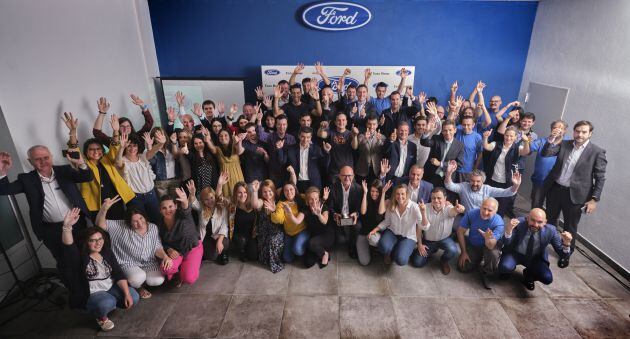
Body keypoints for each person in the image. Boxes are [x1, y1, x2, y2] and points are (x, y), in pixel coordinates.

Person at [0, 116, 91, 274]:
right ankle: (76, 294)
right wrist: (2, 172)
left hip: (77, 225)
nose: (43, 161)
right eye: (38, 159)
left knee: (85, 257)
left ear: (51, 157)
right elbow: (4, 190)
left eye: (46, 157)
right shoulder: (26, 179)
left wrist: (81, 163)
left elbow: (86, 177)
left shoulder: (65, 171)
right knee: (64, 263)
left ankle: (94, 288)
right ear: (30, 161)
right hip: (52, 231)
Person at [60, 208, 139, 331]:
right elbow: (69, 246)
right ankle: (101, 316)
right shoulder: (79, 257)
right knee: (107, 303)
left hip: (110, 287)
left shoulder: (106, 252)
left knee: (133, 296)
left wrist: (127, 294)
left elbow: (118, 273)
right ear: (86, 242)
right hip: (93, 292)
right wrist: (67, 227)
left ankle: (110, 302)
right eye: (92, 240)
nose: (98, 243)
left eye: (100, 239)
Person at [542, 120, 607, 267]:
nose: (580, 134)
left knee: (570, 227)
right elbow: (546, 153)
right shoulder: (565, 144)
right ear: (573, 132)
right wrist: (551, 139)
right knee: (549, 221)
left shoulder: (597, 152)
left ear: (590, 134)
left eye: (584, 132)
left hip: (576, 196)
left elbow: (600, 178)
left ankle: (565, 254)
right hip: (555, 190)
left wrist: (594, 200)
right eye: (577, 131)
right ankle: (542, 246)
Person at [95, 197, 169, 299]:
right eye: (135, 221)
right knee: (137, 278)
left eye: (141, 218)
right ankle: (138, 287)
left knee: (157, 280)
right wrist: (104, 209)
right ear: (129, 222)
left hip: (149, 262)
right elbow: (100, 224)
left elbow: (157, 246)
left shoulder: (152, 227)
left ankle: (142, 281)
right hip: (128, 262)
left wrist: (165, 256)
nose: (139, 223)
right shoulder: (121, 226)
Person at [499, 208, 573, 290]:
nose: (535, 224)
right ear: (527, 218)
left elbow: (563, 254)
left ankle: (529, 275)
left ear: (545, 222)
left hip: (535, 258)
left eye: (540, 222)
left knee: (547, 278)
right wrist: (508, 230)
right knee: (505, 267)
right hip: (515, 254)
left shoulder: (551, 230)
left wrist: (566, 243)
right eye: (533, 220)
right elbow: (506, 242)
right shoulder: (519, 223)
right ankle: (507, 272)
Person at [369, 184, 429, 265]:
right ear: (394, 195)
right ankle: (388, 253)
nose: (400, 196)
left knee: (401, 260)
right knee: (382, 247)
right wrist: (375, 229)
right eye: (397, 194)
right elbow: (387, 221)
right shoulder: (392, 205)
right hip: (392, 232)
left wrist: (423, 212)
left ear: (407, 194)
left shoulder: (414, 207)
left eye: (402, 194)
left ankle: (399, 250)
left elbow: (424, 227)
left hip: (408, 236)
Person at [411, 187, 465, 275]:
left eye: (439, 198)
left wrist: (459, 209)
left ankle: (444, 261)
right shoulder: (425, 208)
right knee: (417, 263)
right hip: (428, 241)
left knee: (453, 250)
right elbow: (419, 229)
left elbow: (454, 211)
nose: (436, 200)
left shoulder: (449, 208)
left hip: (444, 239)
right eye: (433, 198)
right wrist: (420, 244)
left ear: (445, 198)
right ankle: (431, 251)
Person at [482, 126, 530, 217]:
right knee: (489, 204)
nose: (508, 138)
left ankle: (497, 225)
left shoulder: (517, 148)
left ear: (515, 137)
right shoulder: (496, 144)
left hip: (507, 182)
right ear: (504, 135)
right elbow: (486, 146)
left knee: (502, 206)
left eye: (511, 136)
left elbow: (525, 152)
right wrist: (485, 138)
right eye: (507, 135)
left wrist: (526, 141)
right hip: (493, 180)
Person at [158, 188, 202, 286]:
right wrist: (168, 249)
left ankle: (191, 266)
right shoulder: (160, 224)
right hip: (175, 252)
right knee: (166, 268)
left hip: (192, 248)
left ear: (176, 206)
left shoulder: (182, 215)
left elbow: (186, 210)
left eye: (170, 206)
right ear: (160, 210)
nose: (168, 210)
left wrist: (185, 201)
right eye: (164, 208)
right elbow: (161, 242)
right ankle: (178, 272)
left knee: (188, 278)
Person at [457, 198, 504, 289]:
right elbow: (460, 232)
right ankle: (478, 258)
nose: (485, 212)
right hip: (474, 244)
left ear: (495, 211)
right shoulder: (472, 213)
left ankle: (488, 273)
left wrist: (487, 238)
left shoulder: (499, 223)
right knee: (462, 267)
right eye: (484, 208)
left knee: (492, 253)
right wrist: (463, 252)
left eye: (489, 210)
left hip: (490, 246)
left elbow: (491, 245)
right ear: (480, 206)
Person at [114, 132, 160, 223]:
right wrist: (121, 147)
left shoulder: (143, 156)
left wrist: (161, 143)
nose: (132, 148)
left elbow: (153, 151)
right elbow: (118, 163)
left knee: (157, 220)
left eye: (134, 146)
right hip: (135, 198)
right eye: (129, 146)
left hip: (151, 195)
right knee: (140, 223)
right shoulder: (123, 160)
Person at [444, 161, 520, 211]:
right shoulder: (464, 186)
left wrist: (516, 185)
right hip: (465, 218)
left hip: (482, 218)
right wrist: (448, 173)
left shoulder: (487, 189)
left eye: (478, 181)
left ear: (483, 182)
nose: (475, 183)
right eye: (472, 181)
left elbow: (506, 192)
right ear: (469, 180)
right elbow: (449, 185)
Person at [528, 120, 568, 208]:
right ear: (551, 129)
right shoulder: (542, 141)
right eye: (555, 127)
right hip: (540, 179)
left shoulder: (568, 143)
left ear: (565, 131)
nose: (558, 130)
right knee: (536, 204)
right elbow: (528, 149)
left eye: (561, 128)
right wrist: (527, 141)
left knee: (553, 207)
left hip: (557, 182)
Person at [188, 180, 229, 265]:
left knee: (224, 243)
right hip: (206, 237)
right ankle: (215, 253)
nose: (210, 201)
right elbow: (193, 203)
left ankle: (223, 253)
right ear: (203, 201)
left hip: (219, 236)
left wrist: (219, 241)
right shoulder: (201, 207)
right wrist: (192, 193)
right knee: (211, 256)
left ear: (214, 196)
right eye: (206, 199)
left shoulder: (221, 207)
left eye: (211, 198)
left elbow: (224, 226)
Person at [328, 166, 363, 259]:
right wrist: (335, 214)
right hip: (339, 218)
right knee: (340, 240)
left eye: (349, 175)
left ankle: (352, 247)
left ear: (353, 176)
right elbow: (330, 207)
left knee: (358, 226)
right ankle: (342, 235)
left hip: (351, 218)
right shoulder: (333, 188)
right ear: (339, 176)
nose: (347, 178)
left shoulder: (359, 189)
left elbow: (359, 207)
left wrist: (356, 213)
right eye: (344, 175)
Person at [201, 127, 245, 198]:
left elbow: (240, 151)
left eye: (225, 135)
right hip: (225, 180)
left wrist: (239, 141)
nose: (223, 137)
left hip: (237, 177)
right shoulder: (218, 149)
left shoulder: (235, 145)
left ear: (230, 136)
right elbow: (212, 148)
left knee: (240, 196)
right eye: (220, 136)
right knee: (228, 200)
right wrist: (208, 139)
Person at [251, 179, 285, 273]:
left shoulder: (278, 200)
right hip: (264, 230)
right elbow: (255, 204)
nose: (268, 194)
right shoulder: (262, 201)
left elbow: (291, 185)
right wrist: (254, 191)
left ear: (273, 190)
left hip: (277, 230)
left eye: (270, 191)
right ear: (261, 193)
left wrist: (274, 210)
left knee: (273, 241)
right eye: (265, 192)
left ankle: (277, 262)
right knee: (263, 255)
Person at [271, 182, 309, 264]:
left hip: (302, 230)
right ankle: (296, 245)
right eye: (286, 190)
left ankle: (303, 247)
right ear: (283, 192)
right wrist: (273, 211)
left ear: (295, 190)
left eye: (291, 189)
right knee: (287, 259)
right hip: (289, 233)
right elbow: (279, 220)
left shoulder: (302, 198)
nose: (289, 192)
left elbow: (314, 198)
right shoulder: (281, 203)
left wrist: (323, 199)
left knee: (297, 250)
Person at [421, 118, 464, 188]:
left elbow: (459, 165)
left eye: (450, 130)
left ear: (455, 130)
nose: (447, 133)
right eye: (445, 130)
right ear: (442, 131)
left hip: (447, 177)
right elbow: (425, 143)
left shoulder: (460, 145)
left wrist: (440, 163)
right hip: (432, 174)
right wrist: (427, 132)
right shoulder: (436, 139)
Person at [286, 127, 329, 192]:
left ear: (311, 137)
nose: (305, 140)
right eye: (303, 137)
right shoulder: (291, 149)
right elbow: (285, 163)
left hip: (313, 183)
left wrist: (327, 152)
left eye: (308, 137)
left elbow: (324, 165)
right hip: (297, 183)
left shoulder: (316, 149)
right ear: (299, 136)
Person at [358, 179, 389, 265]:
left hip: (377, 232)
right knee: (364, 262)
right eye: (372, 191)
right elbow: (363, 211)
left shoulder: (386, 200)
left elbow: (381, 212)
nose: (374, 194)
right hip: (365, 231)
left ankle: (382, 250)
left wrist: (382, 194)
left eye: (377, 191)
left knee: (373, 240)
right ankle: (370, 249)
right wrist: (365, 193)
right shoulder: (367, 197)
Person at [227, 180, 258, 262]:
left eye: (245, 192)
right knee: (242, 241)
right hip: (238, 235)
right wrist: (220, 184)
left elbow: (258, 204)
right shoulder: (232, 206)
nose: (243, 195)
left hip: (251, 235)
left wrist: (255, 191)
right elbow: (219, 198)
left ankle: (248, 247)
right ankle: (241, 250)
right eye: (239, 192)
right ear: (235, 194)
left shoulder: (252, 204)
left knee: (253, 256)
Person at [303, 187, 334, 268]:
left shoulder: (323, 207)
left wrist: (319, 214)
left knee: (311, 243)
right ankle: (320, 251)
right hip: (314, 237)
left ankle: (325, 253)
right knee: (308, 263)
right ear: (307, 200)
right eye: (311, 199)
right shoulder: (305, 209)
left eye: (316, 198)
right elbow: (298, 220)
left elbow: (324, 221)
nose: (314, 201)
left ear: (319, 198)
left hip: (327, 235)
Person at [149, 127, 182, 198]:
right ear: (153, 138)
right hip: (160, 181)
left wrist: (173, 142)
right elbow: (151, 163)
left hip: (175, 179)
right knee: (164, 203)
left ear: (164, 135)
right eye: (157, 136)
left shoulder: (170, 146)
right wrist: (152, 147)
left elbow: (176, 156)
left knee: (175, 202)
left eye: (161, 135)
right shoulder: (152, 149)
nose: (159, 137)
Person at [355, 115, 386, 183]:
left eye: (374, 124)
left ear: (377, 125)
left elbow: (384, 151)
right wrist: (365, 139)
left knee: (374, 192)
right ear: (366, 124)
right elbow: (359, 150)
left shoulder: (382, 137)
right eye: (369, 124)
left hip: (376, 170)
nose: (371, 127)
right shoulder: (361, 136)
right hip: (362, 170)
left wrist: (380, 141)